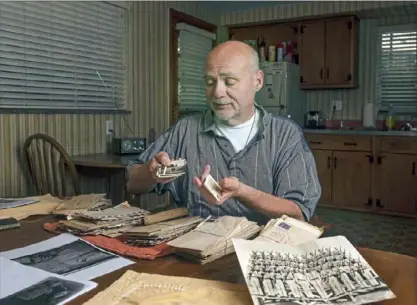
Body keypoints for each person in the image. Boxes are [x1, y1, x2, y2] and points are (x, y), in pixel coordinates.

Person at [126, 40, 321, 225]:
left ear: (258, 81)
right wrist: (151, 173)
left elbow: (298, 213)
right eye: (210, 82)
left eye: (229, 81)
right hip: (194, 250)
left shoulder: (285, 135)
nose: (217, 92)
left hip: (259, 251)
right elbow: (132, 183)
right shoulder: (185, 129)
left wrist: (243, 192)